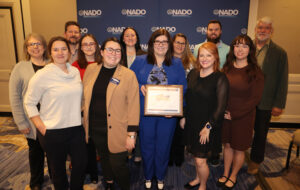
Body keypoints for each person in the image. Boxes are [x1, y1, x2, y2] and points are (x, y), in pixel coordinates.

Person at [24, 36, 87, 190]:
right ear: (50, 53)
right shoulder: (43, 75)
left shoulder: (74, 72)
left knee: (80, 165)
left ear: (69, 51)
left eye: (63, 49)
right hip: (52, 131)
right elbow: (29, 102)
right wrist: (41, 127)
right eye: (56, 49)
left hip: (75, 128)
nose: (60, 52)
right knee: (58, 171)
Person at [131, 29, 187, 190]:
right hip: (145, 113)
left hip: (167, 115)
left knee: (163, 146)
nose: (161, 45)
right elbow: (129, 81)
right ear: (152, 44)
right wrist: (140, 86)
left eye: (164, 42)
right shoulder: (140, 60)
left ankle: (161, 176)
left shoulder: (176, 63)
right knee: (147, 146)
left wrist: (177, 110)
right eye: (157, 41)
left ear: (169, 45)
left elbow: (183, 87)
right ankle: (148, 175)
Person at [82, 37, 140, 190]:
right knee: (104, 158)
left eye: (117, 50)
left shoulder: (128, 75)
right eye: (110, 49)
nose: (113, 53)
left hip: (118, 130)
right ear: (101, 52)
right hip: (96, 128)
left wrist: (131, 134)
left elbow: (134, 106)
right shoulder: (91, 70)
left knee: (118, 164)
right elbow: (84, 96)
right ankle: (109, 182)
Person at [218, 35, 264, 189]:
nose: (240, 49)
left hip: (243, 117)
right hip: (226, 115)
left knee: (239, 148)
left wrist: (235, 114)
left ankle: (233, 175)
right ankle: (225, 173)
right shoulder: (227, 68)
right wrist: (223, 110)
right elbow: (220, 91)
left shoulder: (255, 72)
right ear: (233, 48)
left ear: (250, 50)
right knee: (228, 146)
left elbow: (255, 99)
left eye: (244, 46)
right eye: (237, 45)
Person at [182, 42, 229, 190]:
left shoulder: (220, 78)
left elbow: (220, 108)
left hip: (207, 126)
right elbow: (186, 98)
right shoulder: (193, 73)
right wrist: (183, 117)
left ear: (215, 57)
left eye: (208, 55)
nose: (204, 58)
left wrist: (208, 127)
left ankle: (203, 185)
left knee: (201, 160)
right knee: (196, 157)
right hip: (192, 123)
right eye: (201, 55)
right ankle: (197, 178)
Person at [248, 17, 289, 175]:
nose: (262, 30)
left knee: (260, 132)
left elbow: (282, 80)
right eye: (260, 27)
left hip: (265, 101)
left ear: (271, 31)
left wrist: (279, 104)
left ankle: (255, 161)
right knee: (241, 130)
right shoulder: (245, 46)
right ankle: (239, 155)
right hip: (245, 100)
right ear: (255, 29)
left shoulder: (279, 53)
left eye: (266, 28)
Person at [9, 33, 48, 190]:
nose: (35, 47)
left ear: (44, 47)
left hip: (51, 116)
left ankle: (55, 175)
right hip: (31, 118)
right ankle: (36, 180)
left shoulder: (53, 65)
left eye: (38, 44)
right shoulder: (20, 68)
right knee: (36, 151)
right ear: (27, 48)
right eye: (31, 44)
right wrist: (20, 121)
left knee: (53, 151)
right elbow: (14, 96)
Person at [193, 20, 230, 166]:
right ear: (206, 31)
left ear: (220, 31)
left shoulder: (228, 50)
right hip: (202, 91)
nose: (204, 58)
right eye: (210, 29)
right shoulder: (196, 48)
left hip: (218, 90)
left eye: (216, 29)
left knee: (213, 126)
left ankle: (214, 154)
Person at [72, 34, 101, 183]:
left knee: (97, 142)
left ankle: (96, 171)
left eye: (92, 44)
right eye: (85, 44)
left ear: (96, 46)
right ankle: (90, 172)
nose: (89, 47)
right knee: (85, 143)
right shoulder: (75, 66)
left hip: (100, 110)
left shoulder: (103, 63)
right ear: (81, 48)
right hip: (82, 111)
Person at [120, 27, 146, 164]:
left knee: (138, 124)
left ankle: (138, 153)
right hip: (121, 97)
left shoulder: (145, 55)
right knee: (122, 125)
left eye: (133, 35)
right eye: (127, 35)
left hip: (139, 96)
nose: (130, 38)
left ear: (137, 38)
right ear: (123, 38)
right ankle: (123, 151)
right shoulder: (117, 54)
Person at [169, 33, 195, 167]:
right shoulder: (166, 60)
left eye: (182, 43)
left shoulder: (192, 62)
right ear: (172, 44)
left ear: (186, 46)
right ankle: (168, 156)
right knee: (168, 130)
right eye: (177, 42)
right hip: (168, 101)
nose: (180, 45)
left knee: (181, 130)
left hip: (185, 102)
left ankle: (178, 156)